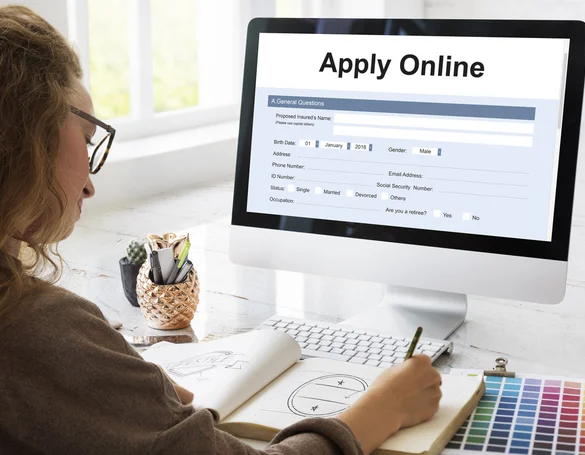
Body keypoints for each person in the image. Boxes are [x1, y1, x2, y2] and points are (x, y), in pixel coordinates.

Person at [0, 6, 442, 455]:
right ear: (26, 139)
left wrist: (116, 391)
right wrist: (380, 411)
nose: (90, 185)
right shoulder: (33, 325)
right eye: (88, 138)